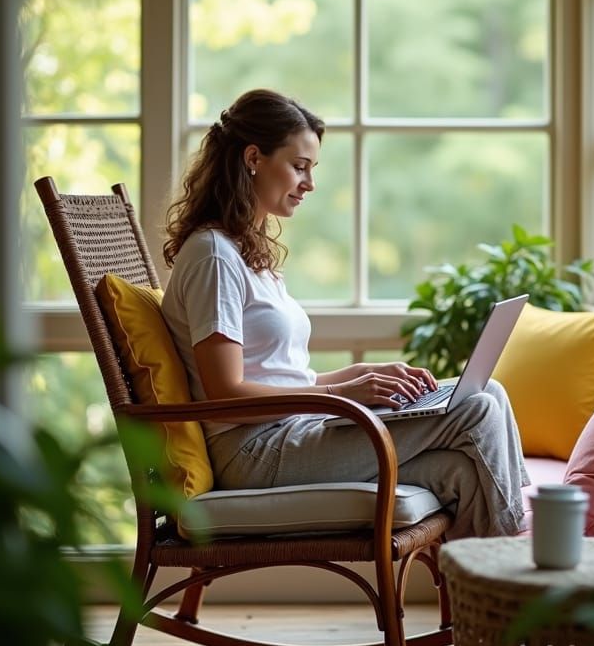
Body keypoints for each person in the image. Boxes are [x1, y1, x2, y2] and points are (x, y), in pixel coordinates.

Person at [161, 88, 529, 538]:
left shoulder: (246, 254)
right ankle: (521, 566)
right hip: (254, 451)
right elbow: (224, 389)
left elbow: (280, 377)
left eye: (311, 169)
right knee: (476, 410)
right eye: (299, 167)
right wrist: (348, 395)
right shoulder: (213, 256)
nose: (309, 184)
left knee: (482, 405)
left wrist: (360, 374)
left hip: (292, 427)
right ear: (253, 157)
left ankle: (481, 600)